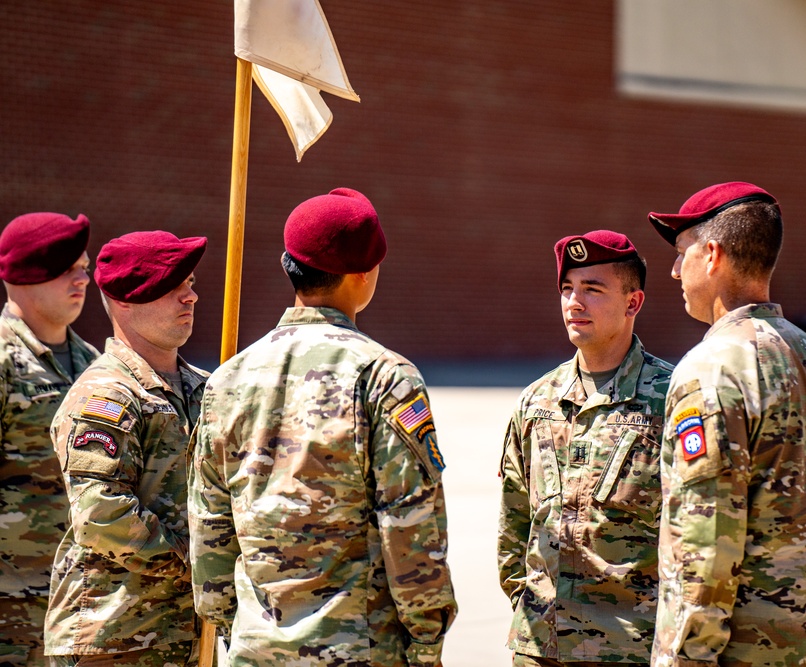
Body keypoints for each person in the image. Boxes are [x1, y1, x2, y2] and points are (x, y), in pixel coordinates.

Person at [188, 188, 457, 666]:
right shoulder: (384, 376)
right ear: (364, 275)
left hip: (255, 646)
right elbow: (409, 521)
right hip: (359, 646)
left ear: (288, 265)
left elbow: (210, 521)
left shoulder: (227, 378)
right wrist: (426, 639)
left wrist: (232, 623)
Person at [646, 182, 806, 666]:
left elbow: (703, 541)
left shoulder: (710, 368)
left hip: (735, 651)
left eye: (682, 253)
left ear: (712, 255)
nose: (675, 270)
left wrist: (684, 658)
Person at [497, 230, 673, 666]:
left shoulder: (672, 398)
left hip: (630, 648)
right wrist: (531, 610)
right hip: (540, 648)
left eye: (593, 290)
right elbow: (514, 523)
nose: (574, 302)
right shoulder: (537, 401)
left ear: (633, 303)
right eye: (567, 289)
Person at [45, 230, 208, 666]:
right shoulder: (106, 395)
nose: (190, 297)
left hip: (186, 639)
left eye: (190, 283)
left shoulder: (206, 392)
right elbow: (101, 515)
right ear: (123, 301)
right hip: (115, 637)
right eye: (172, 287)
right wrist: (200, 563)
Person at [0, 213, 99, 666]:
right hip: (10, 605)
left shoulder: (94, 364)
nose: (84, 278)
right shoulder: (5, 359)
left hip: (75, 606)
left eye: (85, 265)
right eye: (67, 268)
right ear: (26, 274)